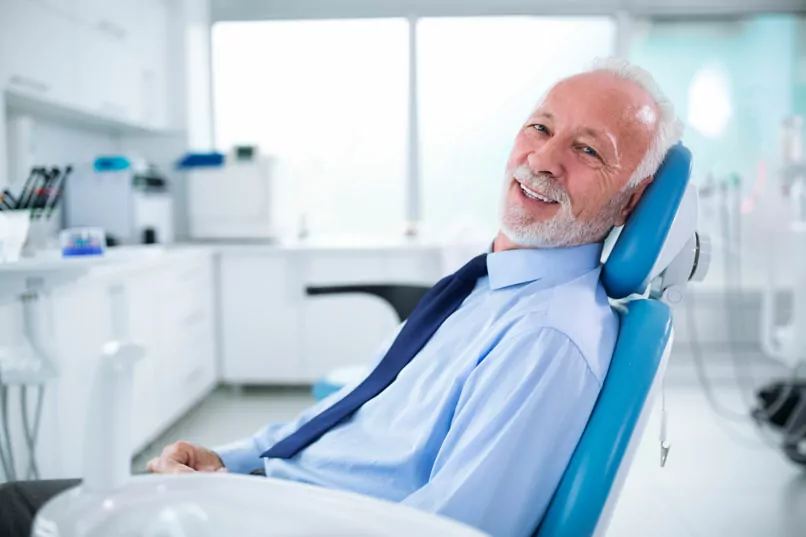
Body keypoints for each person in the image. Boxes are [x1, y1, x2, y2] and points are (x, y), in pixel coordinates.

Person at [0, 57, 682, 537]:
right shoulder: (489, 288)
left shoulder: (547, 338)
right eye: (541, 126)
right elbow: (363, 417)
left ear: (634, 198)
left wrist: (239, 505)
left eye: (589, 150)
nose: (543, 158)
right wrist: (232, 463)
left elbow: (446, 530)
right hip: (267, 494)